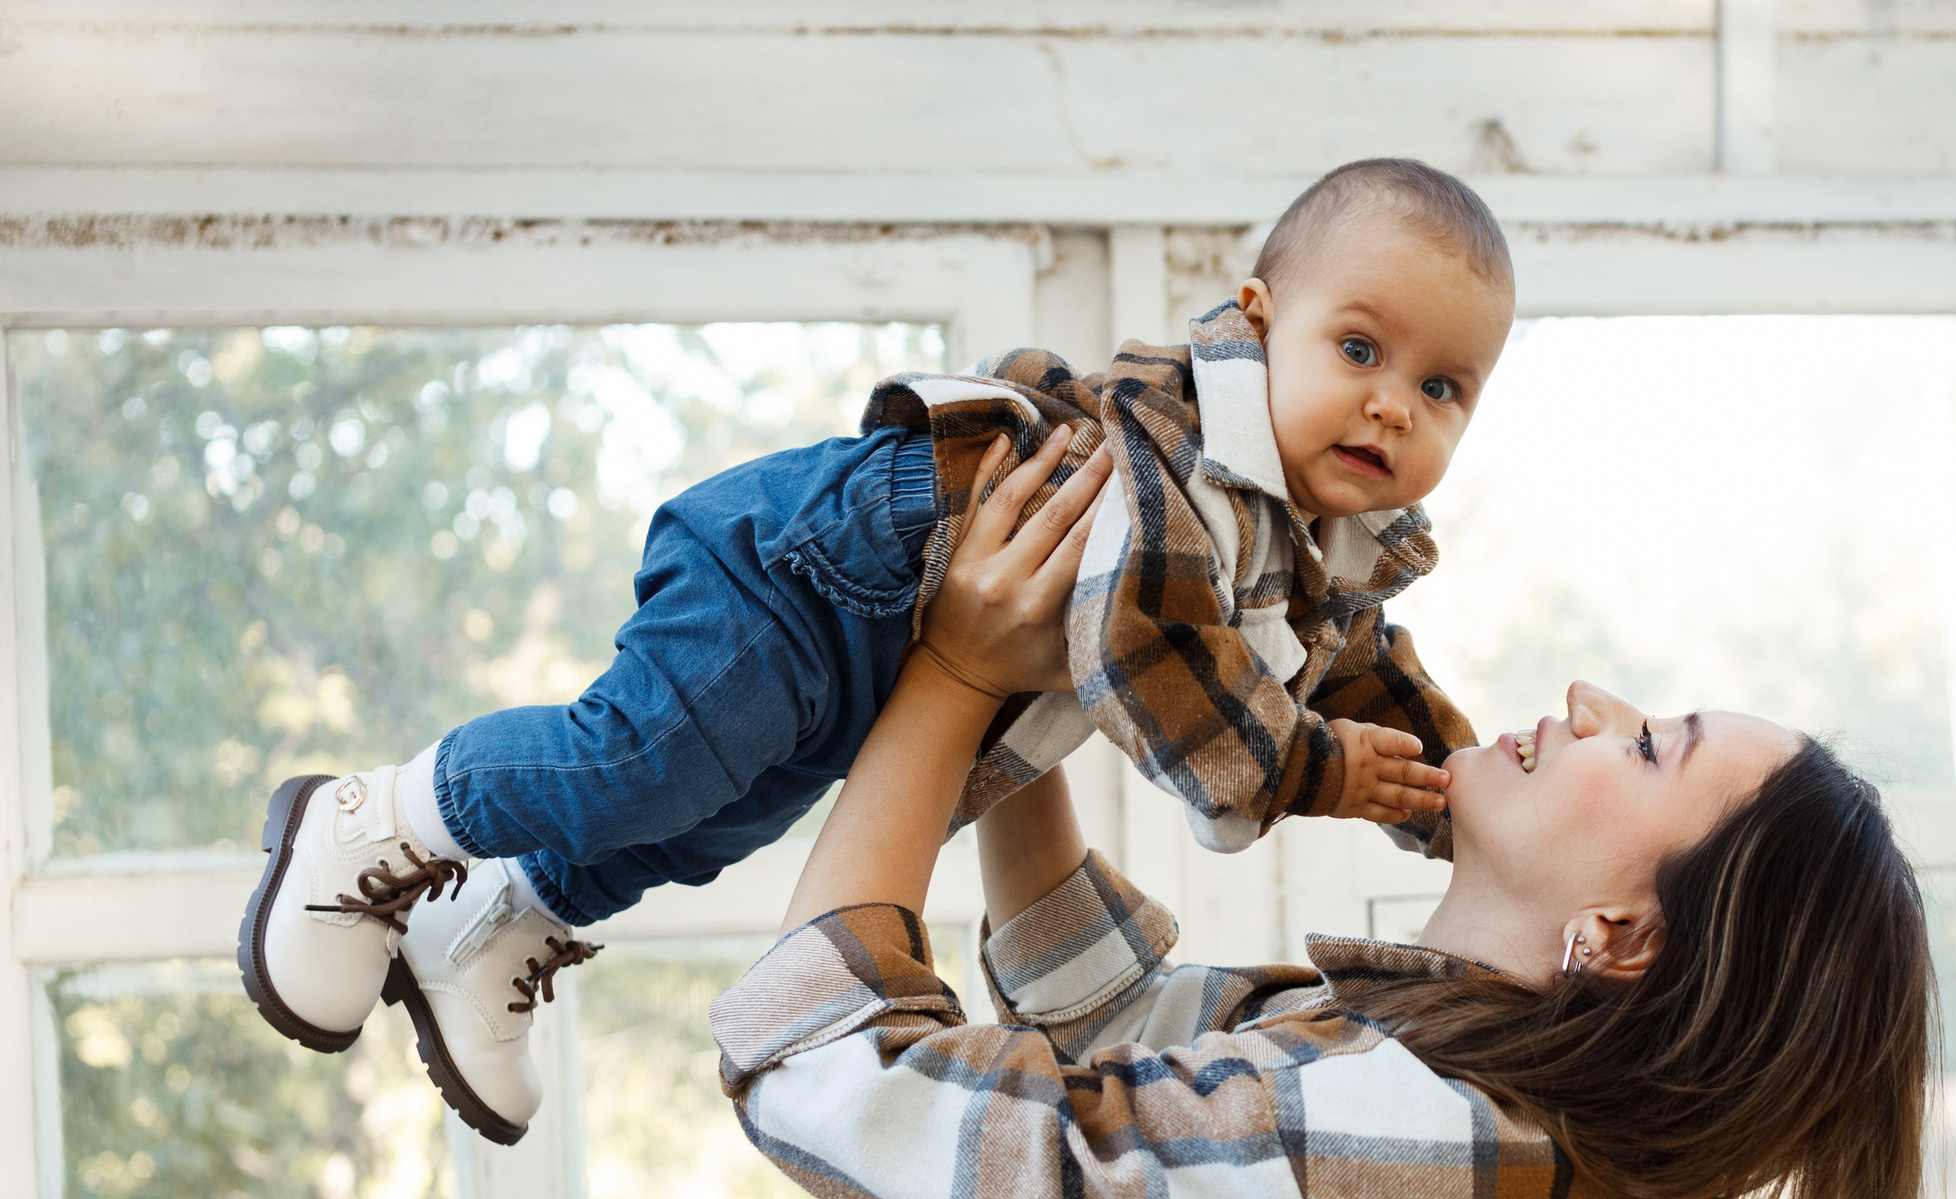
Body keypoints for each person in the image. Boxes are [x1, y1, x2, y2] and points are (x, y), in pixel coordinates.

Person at [711, 410, 1937, 1199]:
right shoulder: (1490, 1110)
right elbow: (1108, 1011)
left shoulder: (1413, 1156)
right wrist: (1042, 668)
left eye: (1646, 745)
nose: (1589, 701)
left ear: (1622, 934)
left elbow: (824, 1064)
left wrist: (953, 680)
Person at [237, 157, 1512, 1142]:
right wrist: (1310, 769)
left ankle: (505, 919)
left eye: (1442, 387)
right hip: (815, 560)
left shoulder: (1319, 546)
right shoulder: (1190, 456)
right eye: (1359, 349)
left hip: (884, 650)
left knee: (713, 821)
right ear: (1259, 321)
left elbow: (1362, 673)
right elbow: (1149, 648)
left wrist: (1465, 799)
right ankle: (374, 821)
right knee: (640, 762)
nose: (1392, 404)